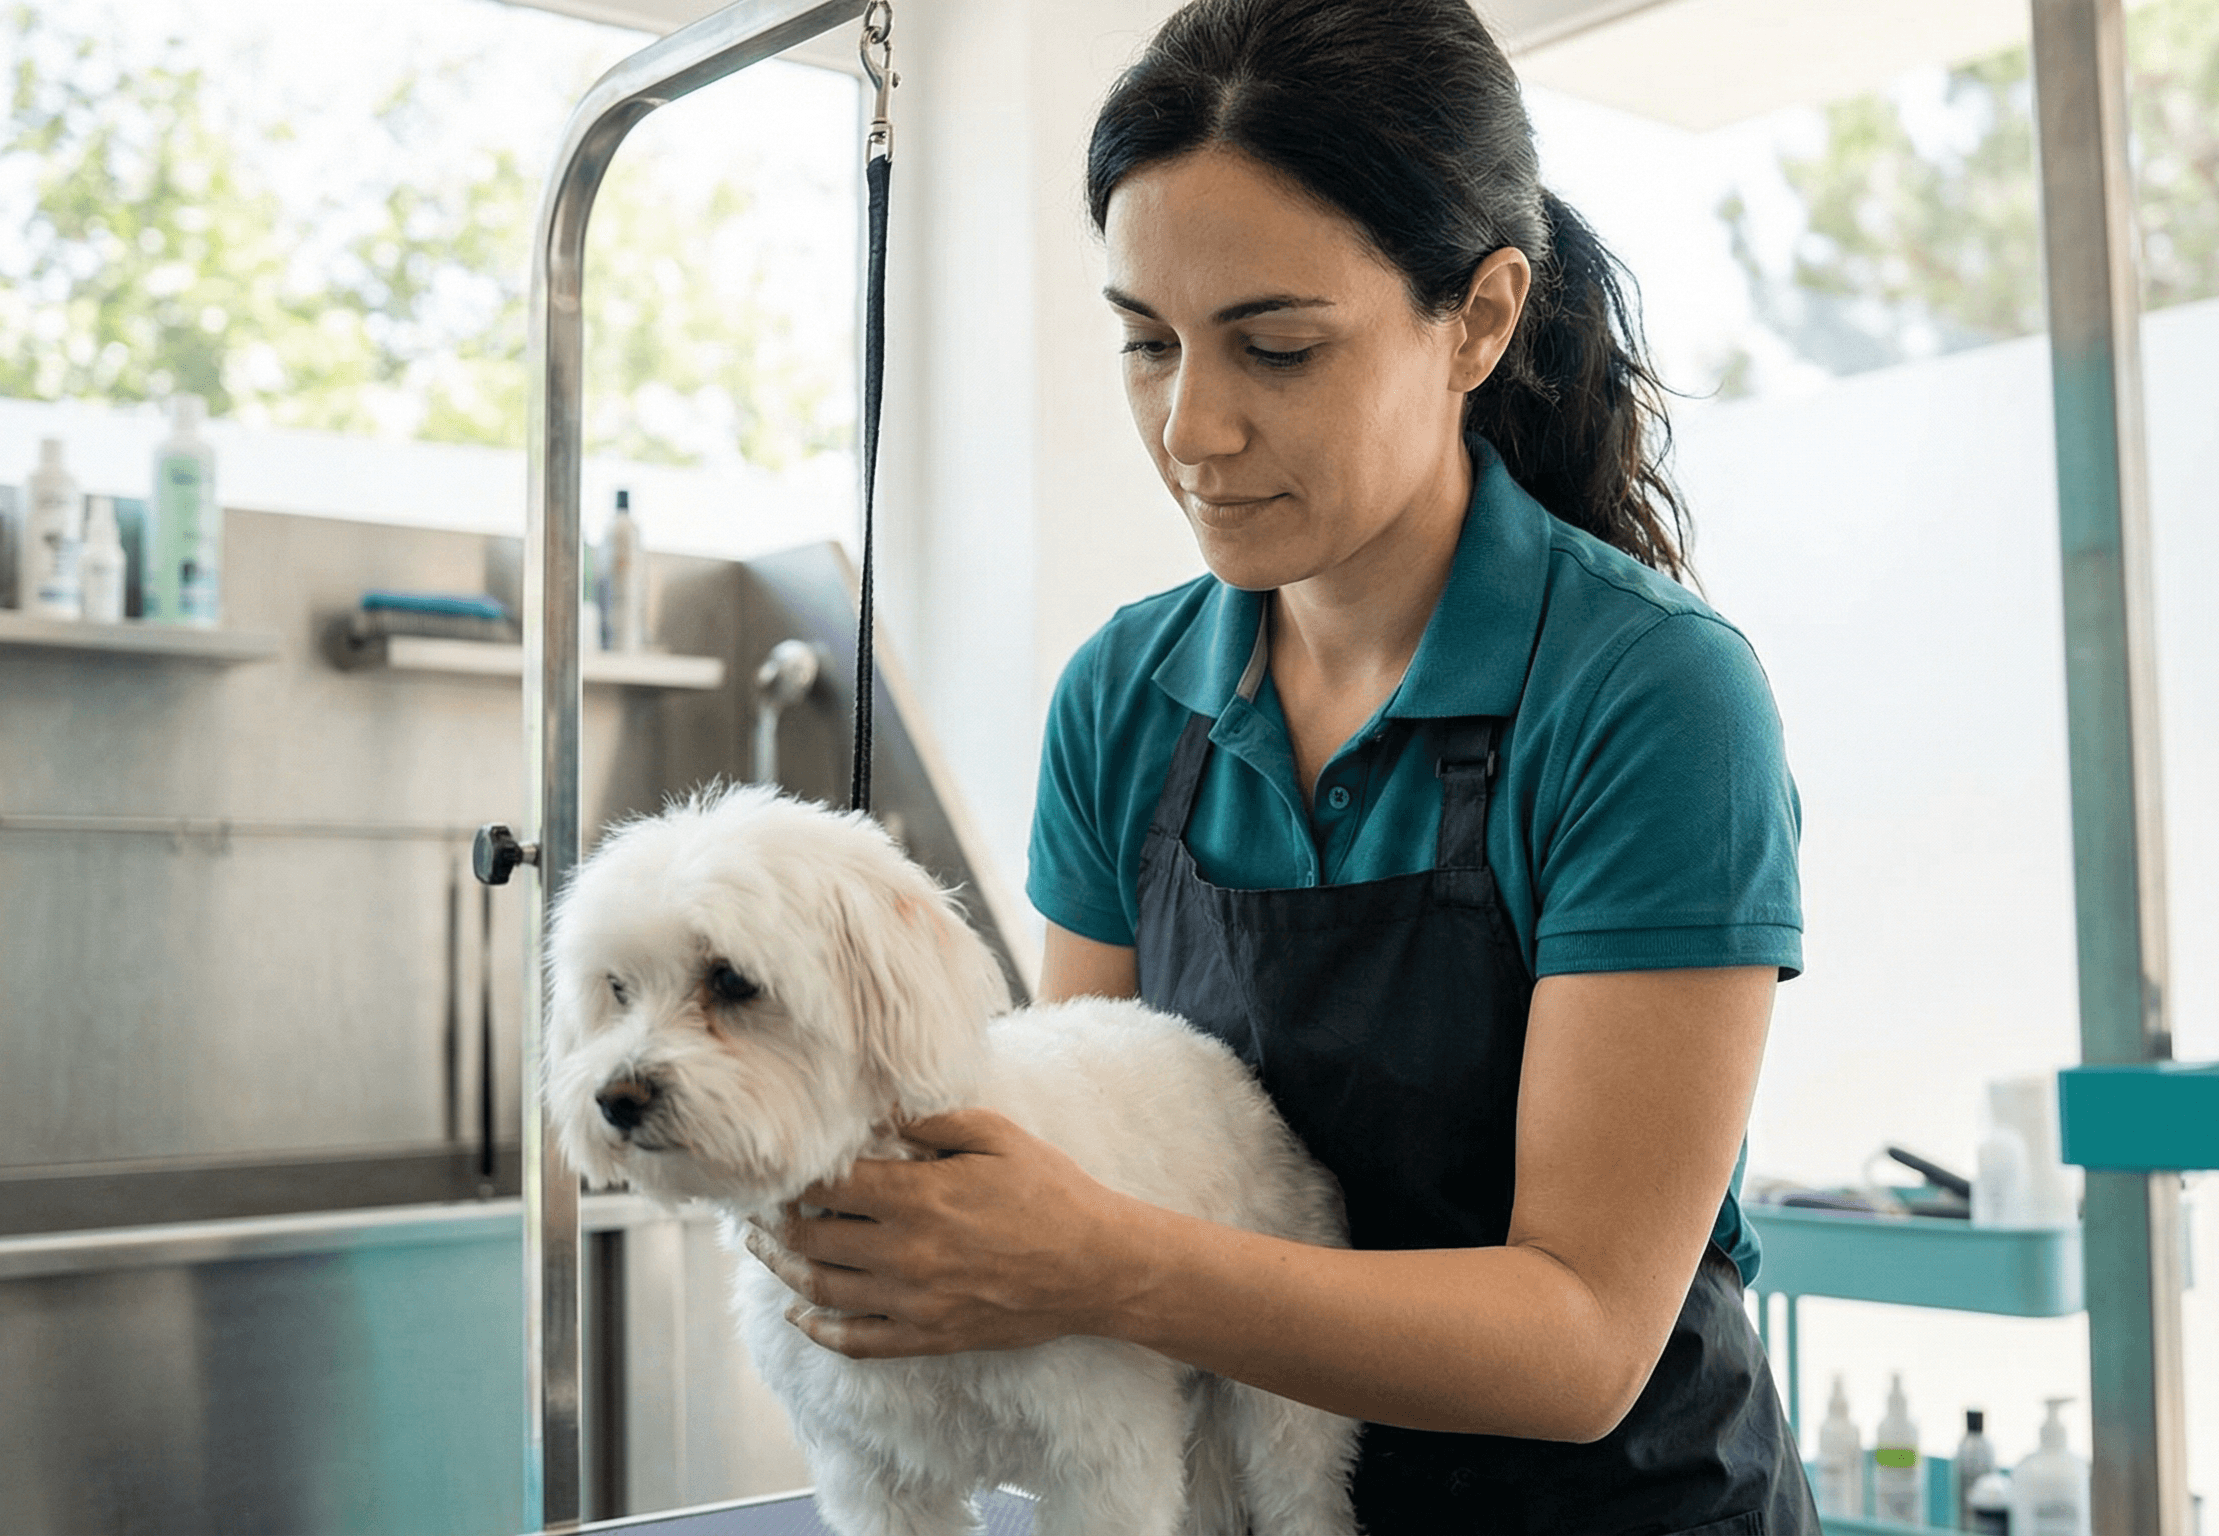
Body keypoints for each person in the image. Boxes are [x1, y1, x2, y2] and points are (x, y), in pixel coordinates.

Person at [746, 0, 1814, 1528]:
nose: (1191, 426)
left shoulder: (1648, 700)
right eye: (1146, 341)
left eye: (1278, 346)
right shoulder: (1125, 696)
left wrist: (1098, 1258)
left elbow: (1582, 1340)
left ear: (1484, 317)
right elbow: (1082, 1119)